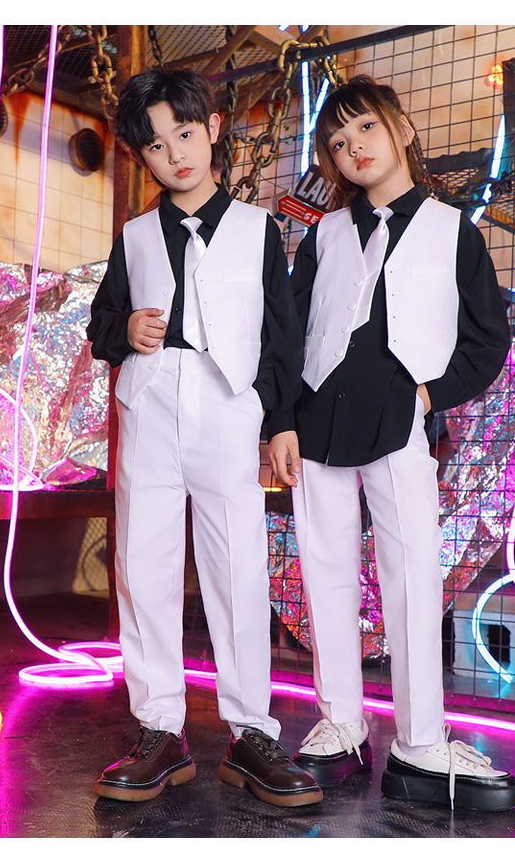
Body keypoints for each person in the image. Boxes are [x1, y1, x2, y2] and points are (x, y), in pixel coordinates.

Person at [267, 75, 515, 812]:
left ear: (402, 130)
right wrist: (280, 420)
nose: (352, 147)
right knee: (324, 572)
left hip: (401, 419)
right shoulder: (323, 235)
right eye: (337, 142)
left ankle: (419, 741)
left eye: (365, 129)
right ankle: (341, 724)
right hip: (317, 418)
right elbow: (290, 333)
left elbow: (486, 339)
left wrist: (427, 396)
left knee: (412, 573)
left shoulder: (454, 231)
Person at [87, 67, 321, 807]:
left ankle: (252, 733)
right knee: (143, 564)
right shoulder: (133, 237)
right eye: (156, 146)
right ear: (141, 157)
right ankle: (160, 729)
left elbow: (282, 335)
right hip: (151, 404)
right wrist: (124, 329)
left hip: (229, 406)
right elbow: (100, 326)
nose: (176, 155)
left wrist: (280, 421)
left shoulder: (258, 231)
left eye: (185, 134)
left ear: (214, 129)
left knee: (239, 567)